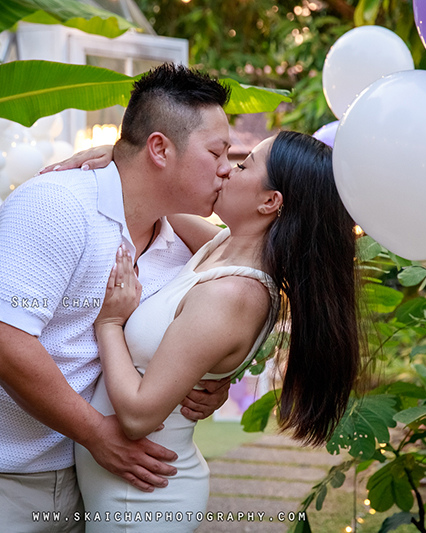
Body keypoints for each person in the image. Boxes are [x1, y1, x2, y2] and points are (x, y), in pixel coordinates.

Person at [0, 63, 236, 533]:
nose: (227, 169)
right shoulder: (56, 207)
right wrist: (96, 433)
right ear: (161, 148)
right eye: (217, 152)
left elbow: (243, 290)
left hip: (90, 482)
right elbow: (1, 344)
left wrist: (210, 381)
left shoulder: (182, 244)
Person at [49, 131, 362, 531]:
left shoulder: (232, 294)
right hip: (126, 488)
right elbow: (162, 194)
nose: (228, 170)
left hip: (143, 500)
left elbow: (137, 416)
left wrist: (109, 322)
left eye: (245, 165)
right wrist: (123, 156)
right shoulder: (222, 246)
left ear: (270, 201)